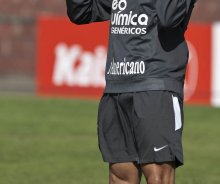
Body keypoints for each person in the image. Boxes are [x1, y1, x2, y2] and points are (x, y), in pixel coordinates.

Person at [66, 0, 196, 183]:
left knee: (158, 176)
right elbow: (82, 12)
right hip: (117, 84)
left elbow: (168, 17)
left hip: (155, 87)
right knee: (121, 176)